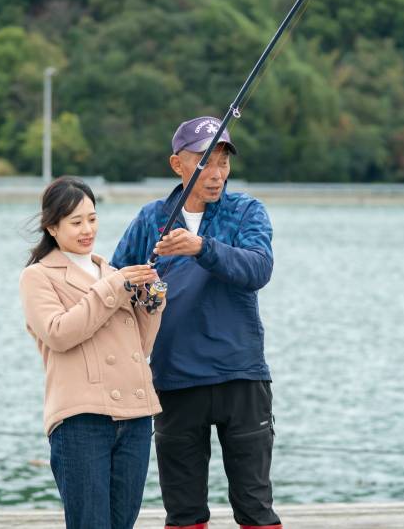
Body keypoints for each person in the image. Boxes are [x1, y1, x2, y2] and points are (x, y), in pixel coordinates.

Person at [112, 116, 282, 529]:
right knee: (184, 511)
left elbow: (258, 269)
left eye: (224, 162)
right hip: (174, 379)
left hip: (240, 375)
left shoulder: (246, 212)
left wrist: (201, 247)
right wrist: (139, 287)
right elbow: (114, 283)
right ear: (177, 164)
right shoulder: (151, 219)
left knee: (255, 506)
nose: (217, 173)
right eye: (204, 161)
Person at [19, 176, 164, 529]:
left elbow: (139, 348)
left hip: (135, 414)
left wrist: (153, 304)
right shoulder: (37, 277)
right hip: (81, 419)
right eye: (76, 222)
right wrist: (112, 288)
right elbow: (59, 333)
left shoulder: (111, 272)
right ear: (52, 227)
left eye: (93, 218)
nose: (88, 229)